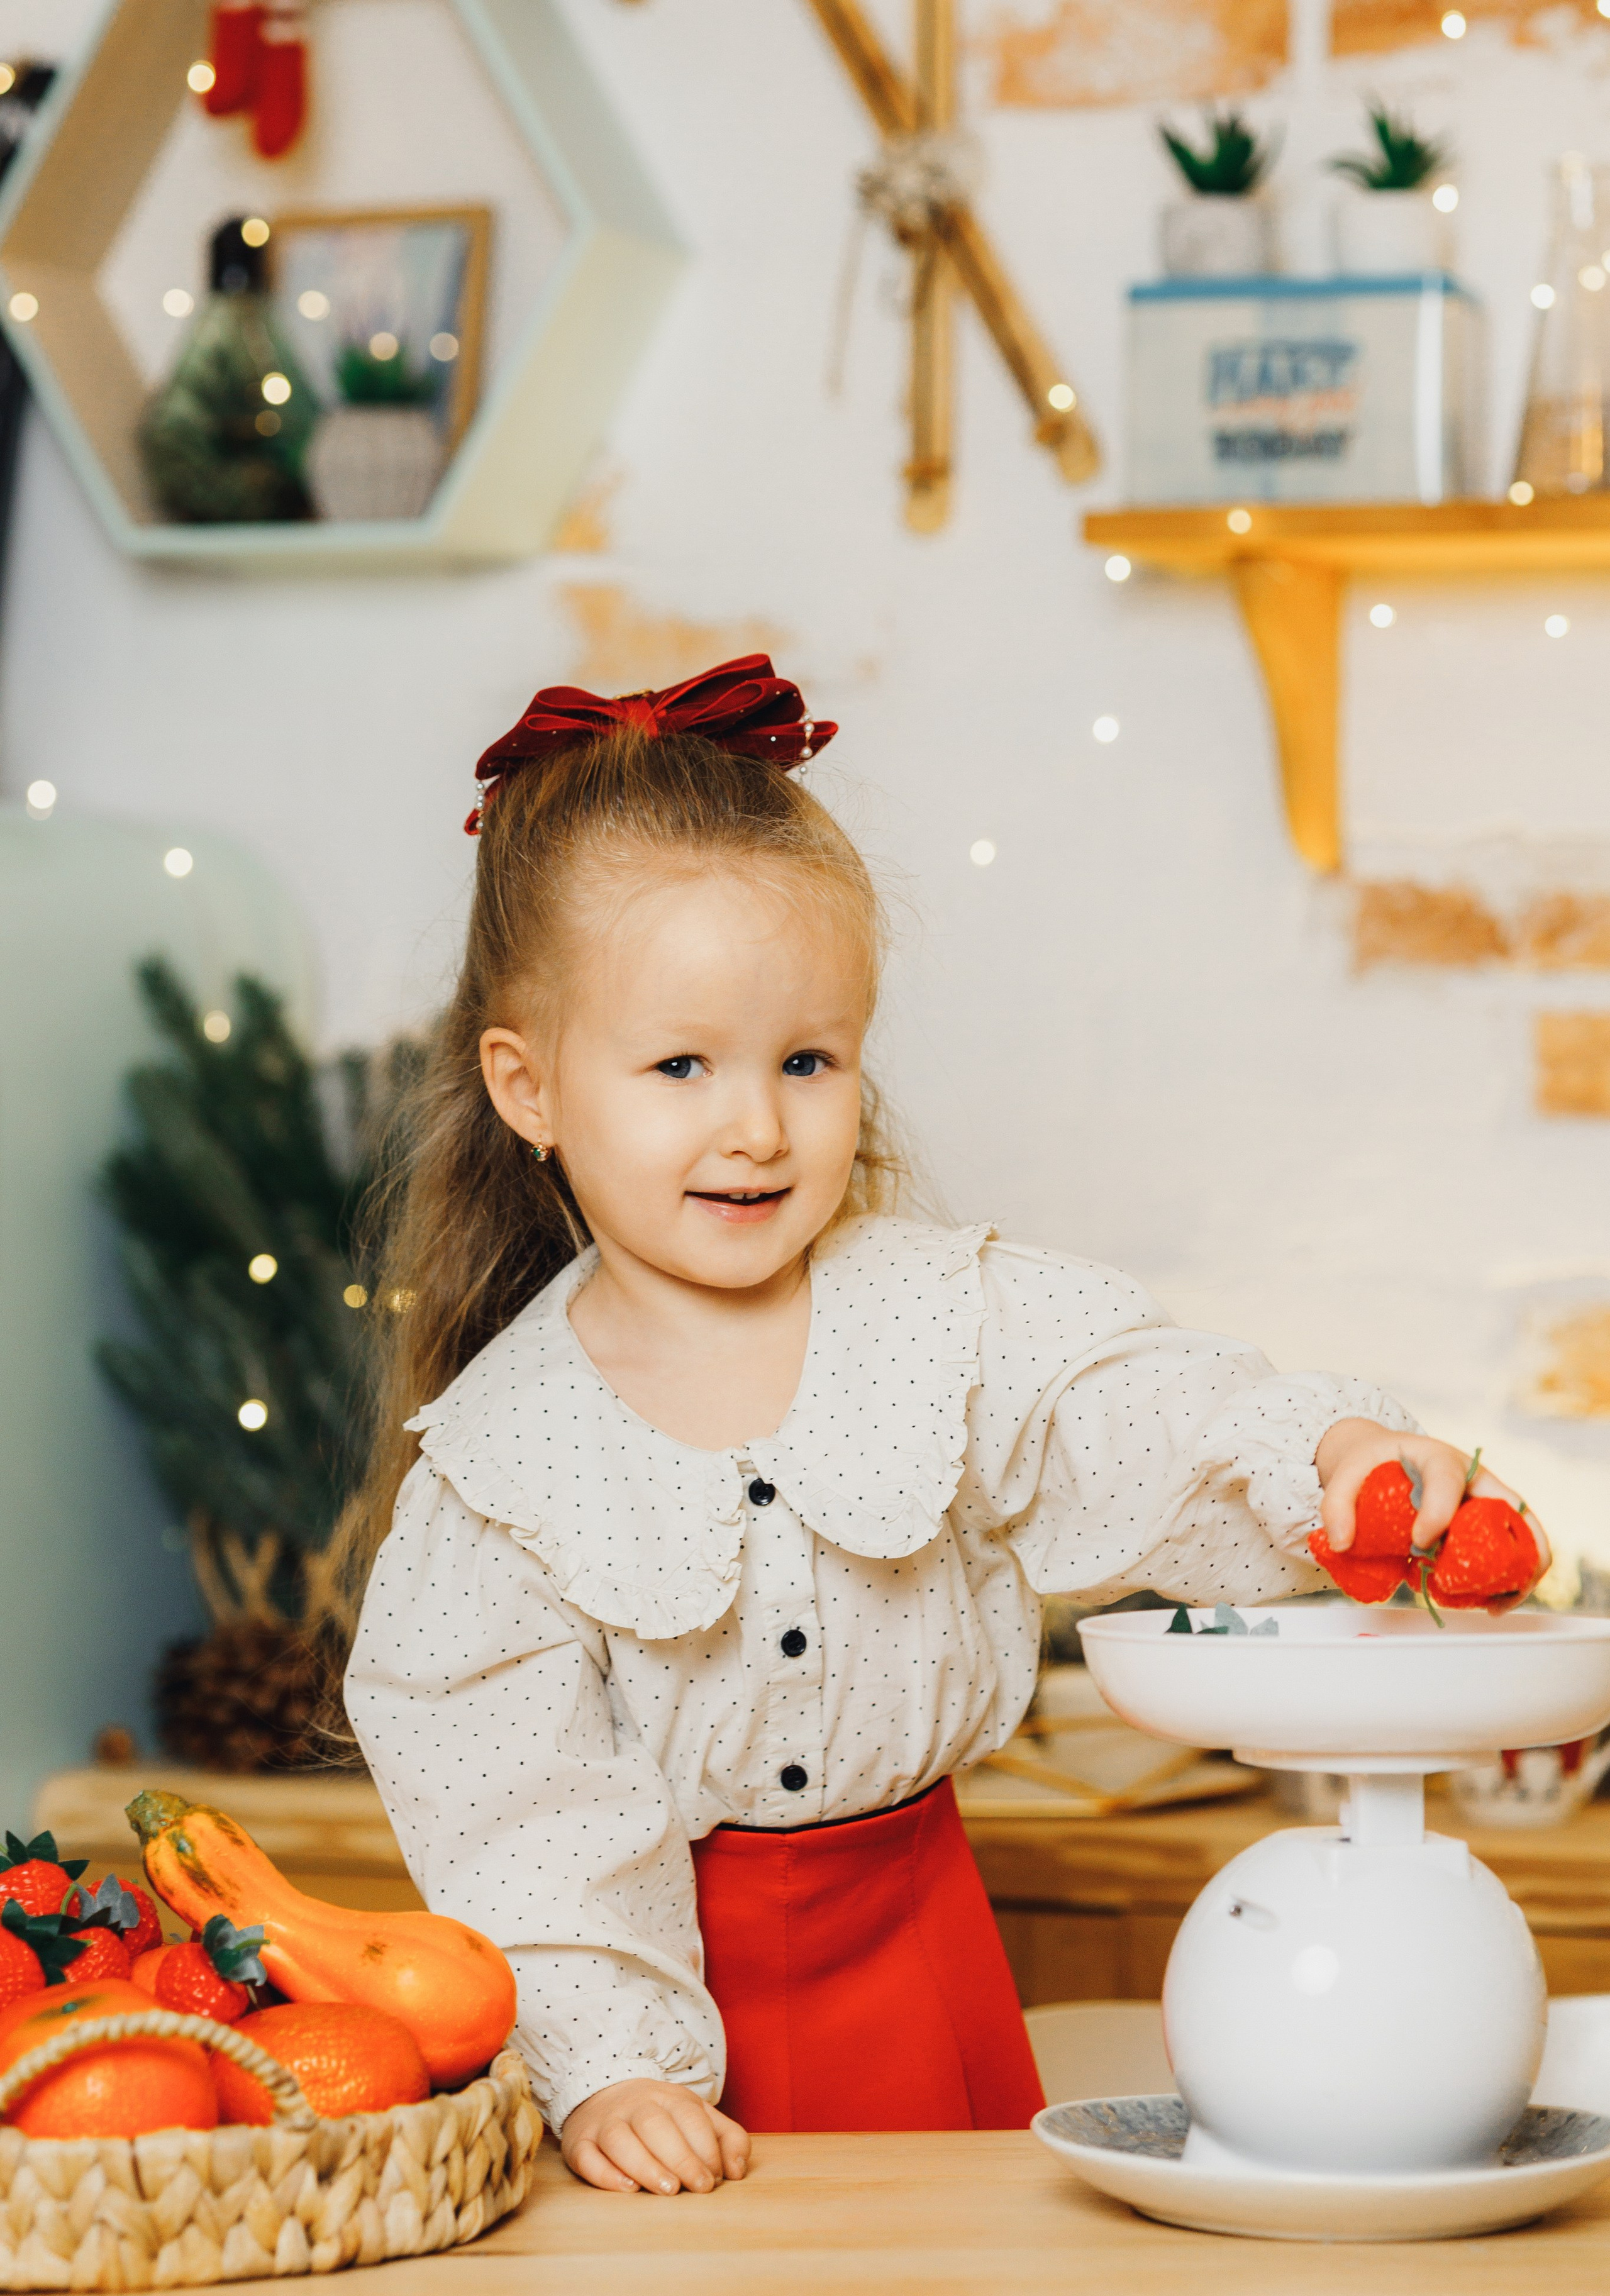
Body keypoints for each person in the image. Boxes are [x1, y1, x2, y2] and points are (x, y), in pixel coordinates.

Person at [339, 655, 1548, 2200]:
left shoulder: (938, 1320)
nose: (757, 1125)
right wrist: (611, 2065)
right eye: (679, 1066)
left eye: (805, 1060)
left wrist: (1320, 1455)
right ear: (530, 1085)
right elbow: (516, 1813)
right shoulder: (501, 1469)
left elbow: (1124, 1407)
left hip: (931, 1968)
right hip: (672, 2044)